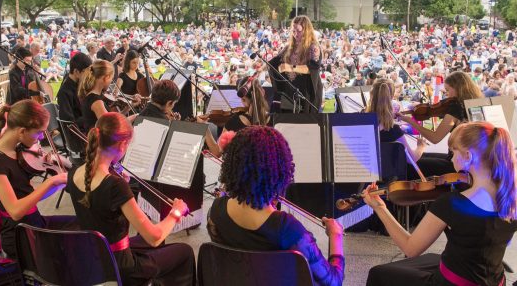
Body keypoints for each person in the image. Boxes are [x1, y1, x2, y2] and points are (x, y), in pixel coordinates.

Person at [364, 122, 517, 286]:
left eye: (453, 152)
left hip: (452, 283)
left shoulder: (452, 203)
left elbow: (410, 249)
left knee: (379, 273)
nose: (451, 158)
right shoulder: (513, 198)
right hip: (495, 281)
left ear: (468, 157)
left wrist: (380, 208)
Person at [66, 113, 196, 285]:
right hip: (120, 267)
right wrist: (176, 212)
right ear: (122, 144)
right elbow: (154, 237)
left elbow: (99, 204)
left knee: (156, 246)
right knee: (184, 251)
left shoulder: (74, 173)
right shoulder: (115, 185)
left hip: (94, 256)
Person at [207, 126, 345, 286]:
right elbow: (333, 281)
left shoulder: (216, 210)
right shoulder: (287, 229)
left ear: (232, 165)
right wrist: (336, 235)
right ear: (279, 171)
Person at [0, 100, 75, 259]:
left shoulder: (19, 150)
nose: (41, 138)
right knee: (76, 243)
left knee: (82, 226)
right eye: (39, 133)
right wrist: (50, 182)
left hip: (34, 221)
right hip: (20, 234)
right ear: (22, 131)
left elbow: (29, 199)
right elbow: (15, 211)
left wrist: (61, 183)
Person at [398, 71, 483, 176]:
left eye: (448, 90)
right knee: (417, 157)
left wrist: (410, 121)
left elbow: (435, 138)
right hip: (465, 161)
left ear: (458, 89)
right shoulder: (472, 104)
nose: (446, 94)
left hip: (455, 164)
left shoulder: (456, 107)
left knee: (410, 163)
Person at [269, 15, 323, 113]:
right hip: (290, 92)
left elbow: (312, 68)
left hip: (307, 92)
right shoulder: (289, 47)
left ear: (307, 30)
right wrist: (259, 68)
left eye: (299, 31)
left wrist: (290, 67)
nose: (296, 34)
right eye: (293, 31)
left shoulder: (313, 47)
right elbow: (274, 61)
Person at [78, 60, 115, 132]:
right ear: (106, 78)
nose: (111, 81)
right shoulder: (96, 101)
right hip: (99, 141)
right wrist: (131, 119)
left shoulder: (91, 95)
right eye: (111, 79)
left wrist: (127, 109)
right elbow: (111, 127)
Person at [56, 53, 92, 123]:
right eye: (86, 72)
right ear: (76, 71)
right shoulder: (64, 92)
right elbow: (68, 122)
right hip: (78, 131)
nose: (89, 76)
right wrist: (90, 117)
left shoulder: (80, 85)